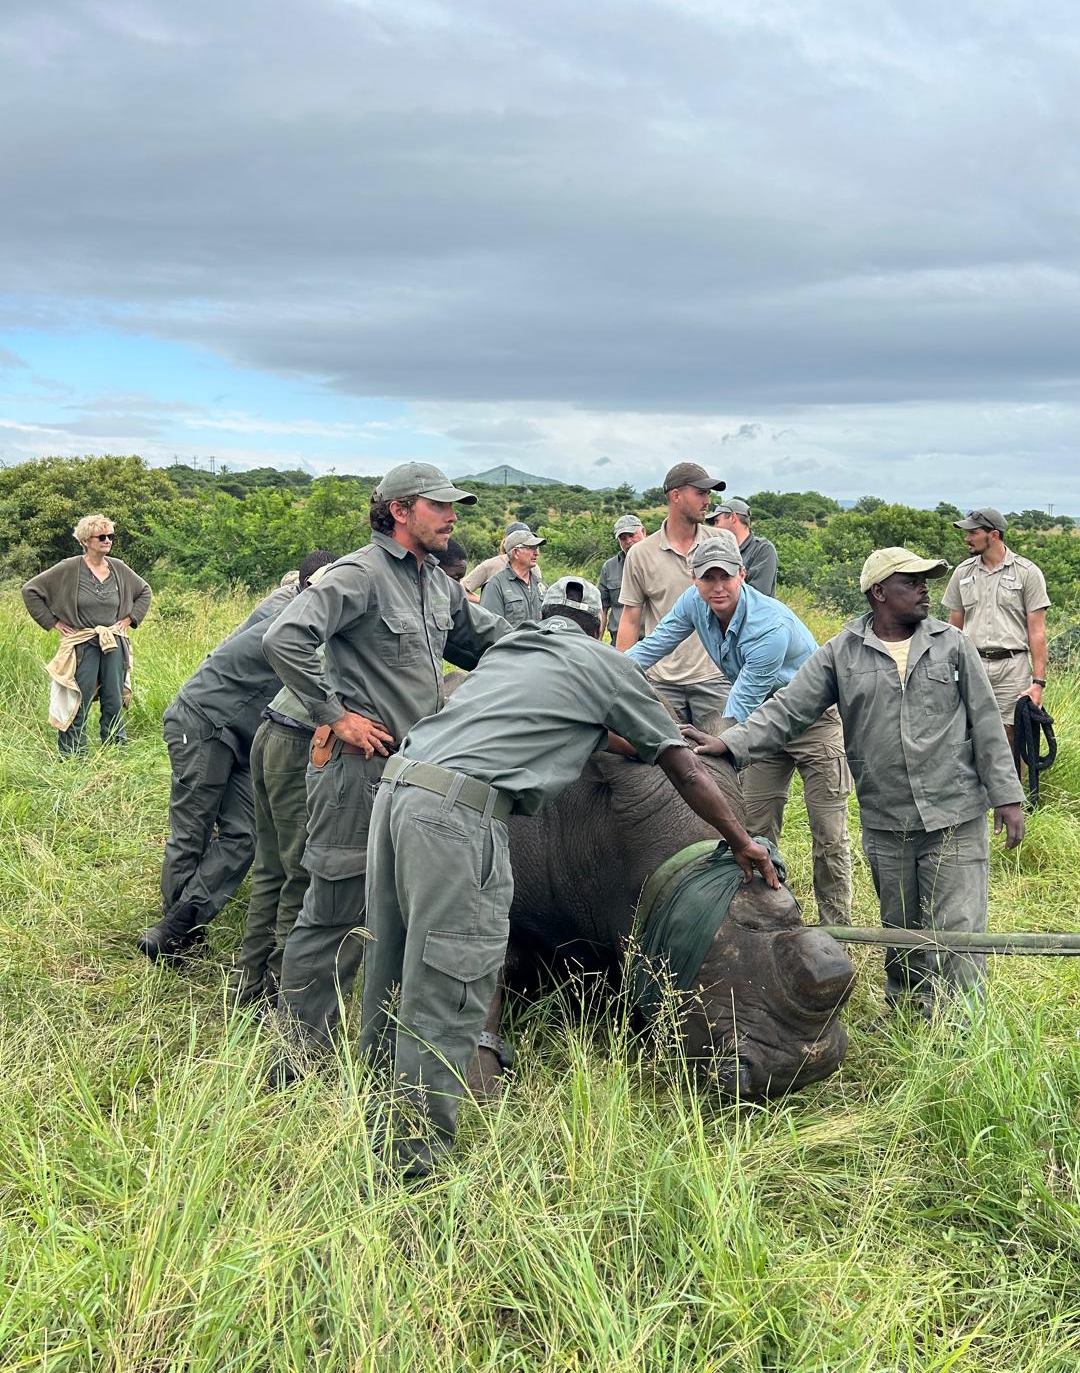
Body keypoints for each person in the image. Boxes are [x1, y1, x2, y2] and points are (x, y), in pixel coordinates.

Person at [360, 575, 780, 1179]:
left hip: (397, 792)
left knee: (393, 962)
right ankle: (414, 1162)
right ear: (603, 629)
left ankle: (375, 1109)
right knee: (454, 973)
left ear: (543, 619)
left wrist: (623, 742)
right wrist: (741, 841)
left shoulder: (512, 650)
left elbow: (554, 722)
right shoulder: (609, 665)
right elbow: (685, 772)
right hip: (460, 814)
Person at [684, 547, 1025, 1016]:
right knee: (900, 926)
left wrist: (1007, 796)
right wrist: (730, 743)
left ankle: (963, 1025)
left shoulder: (953, 645)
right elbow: (787, 710)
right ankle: (907, 1013)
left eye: (925, 582)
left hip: (956, 812)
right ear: (879, 592)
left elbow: (986, 722)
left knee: (958, 928)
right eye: (911, 582)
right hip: (888, 817)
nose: (924, 590)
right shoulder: (840, 653)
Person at [262, 464, 508, 1063]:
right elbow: (284, 637)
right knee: (334, 912)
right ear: (399, 510)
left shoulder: (436, 582)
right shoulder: (361, 574)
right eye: (439, 506)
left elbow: (491, 639)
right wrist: (336, 715)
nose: (452, 517)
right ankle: (296, 1058)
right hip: (356, 772)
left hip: (412, 779)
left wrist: (561, 650)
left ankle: (378, 1052)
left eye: (452, 506)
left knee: (393, 913)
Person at [627, 535, 852, 925]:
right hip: (763, 724)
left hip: (811, 722)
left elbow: (739, 708)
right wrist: (606, 675)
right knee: (755, 828)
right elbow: (653, 646)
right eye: (707, 577)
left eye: (725, 577)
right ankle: (769, 922)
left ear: (742, 575)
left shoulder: (770, 627)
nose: (717, 587)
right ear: (694, 578)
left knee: (828, 833)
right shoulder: (694, 603)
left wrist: (713, 755)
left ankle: (838, 930)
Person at [136, 556, 326, 963]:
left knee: (244, 835)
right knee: (193, 830)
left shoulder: (298, 605)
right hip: (204, 720)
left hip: (244, 734)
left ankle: (179, 925)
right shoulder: (291, 613)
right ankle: (175, 939)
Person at [230, 552, 338, 1007]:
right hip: (299, 742)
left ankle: (248, 982)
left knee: (271, 867)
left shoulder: (327, 613)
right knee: (299, 873)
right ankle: (280, 990)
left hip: (272, 730)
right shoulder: (361, 615)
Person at [22, 514, 152, 755]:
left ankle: (115, 752)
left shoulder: (118, 568)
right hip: (82, 643)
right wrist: (53, 622)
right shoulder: (69, 568)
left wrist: (129, 619)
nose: (107, 540)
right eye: (101, 536)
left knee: (114, 699)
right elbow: (30, 590)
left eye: (110, 536)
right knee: (77, 698)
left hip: (113, 642)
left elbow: (145, 591)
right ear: (85, 541)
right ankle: (73, 755)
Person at [616, 462, 728, 723]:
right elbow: (630, 618)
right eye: (700, 493)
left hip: (714, 676)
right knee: (665, 749)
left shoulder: (722, 543)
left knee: (724, 748)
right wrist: (620, 677)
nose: (707, 501)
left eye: (708, 494)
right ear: (676, 496)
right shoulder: (641, 553)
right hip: (661, 680)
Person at [943, 509, 1051, 762]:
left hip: (1012, 667)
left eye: (973, 533)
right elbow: (954, 627)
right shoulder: (963, 572)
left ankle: (1013, 788)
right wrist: (948, 670)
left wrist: (1038, 683)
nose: (967, 538)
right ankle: (975, 787)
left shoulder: (1027, 572)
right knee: (966, 731)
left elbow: (1037, 631)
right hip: (971, 664)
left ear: (993, 534)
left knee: (1012, 736)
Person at [704, 498, 779, 595]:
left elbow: (757, 595)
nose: (714, 527)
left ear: (733, 517)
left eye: (717, 521)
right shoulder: (717, 549)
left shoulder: (763, 549)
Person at [462, 523, 545, 601]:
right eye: (529, 546)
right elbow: (462, 590)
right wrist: (485, 602)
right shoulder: (491, 565)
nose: (536, 552)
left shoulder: (534, 568)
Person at [478, 529, 546, 624]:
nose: (536, 553)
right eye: (531, 548)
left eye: (536, 548)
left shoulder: (540, 584)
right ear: (516, 552)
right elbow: (490, 626)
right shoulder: (495, 585)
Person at [598, 514, 646, 642]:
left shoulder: (659, 561)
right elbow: (602, 609)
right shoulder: (609, 568)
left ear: (643, 532)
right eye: (623, 538)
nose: (628, 541)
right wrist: (597, 643)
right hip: (620, 641)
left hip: (654, 641)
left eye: (632, 535)